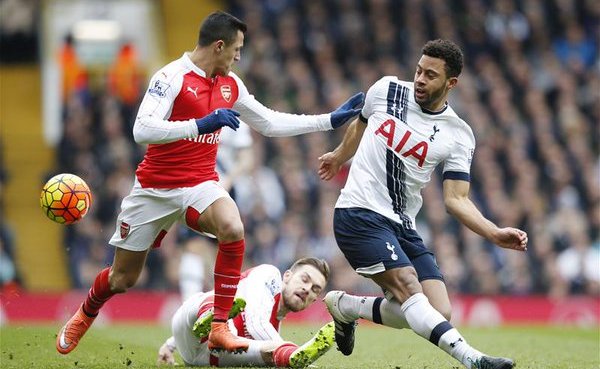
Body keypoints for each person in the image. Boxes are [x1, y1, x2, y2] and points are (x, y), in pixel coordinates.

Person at [56, 10, 363, 355]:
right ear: (219, 46)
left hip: (200, 184)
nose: (239, 56)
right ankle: (85, 313)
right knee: (122, 279)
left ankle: (219, 326)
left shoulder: (232, 84)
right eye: (237, 49)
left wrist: (329, 120)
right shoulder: (171, 76)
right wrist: (199, 124)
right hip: (154, 189)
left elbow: (269, 122)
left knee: (233, 227)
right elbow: (141, 129)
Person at [318, 39, 528, 369]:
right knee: (408, 287)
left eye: (430, 75)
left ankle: (346, 307)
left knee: (438, 311)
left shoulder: (458, 134)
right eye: (418, 70)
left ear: (451, 83)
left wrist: (493, 233)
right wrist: (339, 156)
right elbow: (361, 121)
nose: (419, 79)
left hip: (402, 223)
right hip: (358, 213)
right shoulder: (386, 89)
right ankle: (473, 359)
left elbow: (456, 199)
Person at [157, 258, 333, 368]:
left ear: (313, 301)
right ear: (287, 276)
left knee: (269, 355)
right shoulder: (269, 275)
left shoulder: (275, 328)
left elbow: (264, 336)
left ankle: (292, 358)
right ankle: (218, 322)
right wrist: (172, 342)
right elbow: (255, 324)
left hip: (206, 359)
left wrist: (171, 344)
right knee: (217, 304)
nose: (307, 289)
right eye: (305, 279)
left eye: (315, 289)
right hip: (193, 322)